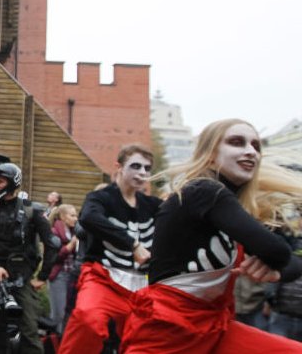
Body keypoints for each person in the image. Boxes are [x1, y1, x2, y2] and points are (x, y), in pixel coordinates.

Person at [120, 119, 302, 353]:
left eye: (256, 146)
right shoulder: (203, 191)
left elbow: (292, 263)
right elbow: (277, 251)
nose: (250, 151)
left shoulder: (234, 211)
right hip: (169, 331)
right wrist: (273, 260)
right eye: (236, 142)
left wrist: (274, 270)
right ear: (211, 154)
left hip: (214, 329)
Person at [59, 144, 162, 353]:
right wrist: (133, 244)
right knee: (88, 319)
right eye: (135, 166)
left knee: (148, 340)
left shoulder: (153, 205)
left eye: (147, 168)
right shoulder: (101, 198)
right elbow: (88, 217)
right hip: (104, 278)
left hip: (143, 287)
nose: (142, 173)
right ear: (119, 167)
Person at [0, 161, 58, 354]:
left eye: (0, 182)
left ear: (12, 182)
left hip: (22, 277)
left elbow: (52, 244)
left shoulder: (32, 211)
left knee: (29, 329)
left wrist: (42, 277)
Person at [47, 204, 78, 335]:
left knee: (69, 313)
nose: (76, 219)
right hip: (58, 276)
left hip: (71, 276)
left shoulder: (73, 232)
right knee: (58, 314)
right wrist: (70, 246)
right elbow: (53, 257)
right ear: (63, 217)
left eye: (76, 215)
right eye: (72, 215)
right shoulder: (54, 232)